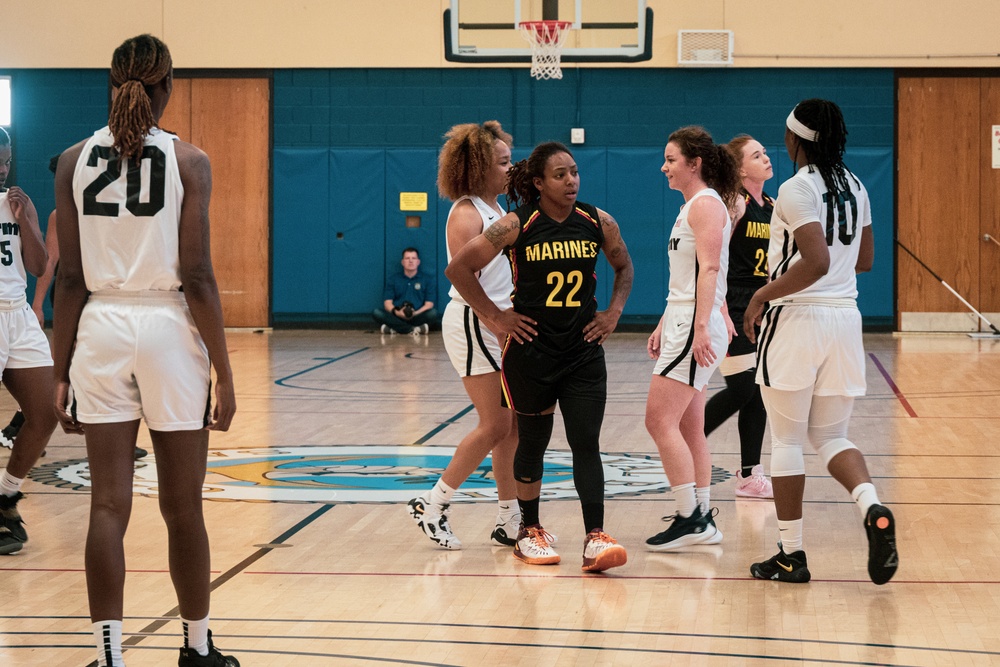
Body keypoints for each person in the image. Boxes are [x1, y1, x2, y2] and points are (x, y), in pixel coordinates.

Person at [52, 35, 239, 665]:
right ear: (168, 86)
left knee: (107, 505)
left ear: (111, 82)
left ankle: (109, 656)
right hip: (166, 326)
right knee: (183, 505)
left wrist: (60, 372)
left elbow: (70, 280)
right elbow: (200, 276)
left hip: (100, 326)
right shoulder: (190, 161)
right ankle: (197, 647)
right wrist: (225, 370)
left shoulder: (72, 159)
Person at [446, 141, 634, 572]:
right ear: (537, 182)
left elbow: (624, 267)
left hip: (583, 351)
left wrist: (613, 313)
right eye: (560, 175)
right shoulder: (515, 225)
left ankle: (595, 537)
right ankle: (529, 531)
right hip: (531, 352)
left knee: (586, 442)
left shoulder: (597, 220)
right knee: (532, 442)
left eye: (574, 172)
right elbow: (458, 269)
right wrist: (494, 317)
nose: (571, 181)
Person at [744, 99, 897, 585]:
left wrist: (760, 298)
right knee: (832, 437)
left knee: (787, 439)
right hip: (845, 322)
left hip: (797, 321)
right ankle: (871, 506)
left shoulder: (794, 189)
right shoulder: (857, 186)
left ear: (795, 140)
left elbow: (814, 262)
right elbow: (864, 259)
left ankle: (792, 555)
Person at [407, 121, 520, 549]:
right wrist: (494, 318)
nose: (511, 168)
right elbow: (465, 278)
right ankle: (431, 504)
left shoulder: (496, 209)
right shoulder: (468, 212)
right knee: (494, 424)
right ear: (478, 169)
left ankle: (509, 518)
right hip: (475, 320)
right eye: (504, 162)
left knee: (511, 429)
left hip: (496, 321)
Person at [644, 126, 741, 552]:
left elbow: (710, 271)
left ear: (694, 163)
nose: (664, 167)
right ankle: (702, 514)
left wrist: (701, 326)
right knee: (688, 425)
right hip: (683, 319)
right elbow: (686, 278)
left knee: (657, 421)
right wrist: (665, 321)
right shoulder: (693, 206)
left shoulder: (704, 205)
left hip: (693, 326)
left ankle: (690, 518)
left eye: (671, 159)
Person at [702, 136, 775, 499]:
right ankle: (688, 442)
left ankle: (750, 475)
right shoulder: (735, 204)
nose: (767, 157)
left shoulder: (772, 205)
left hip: (760, 306)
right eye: (757, 155)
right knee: (744, 388)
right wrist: (717, 307)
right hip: (732, 304)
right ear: (740, 168)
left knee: (757, 391)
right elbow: (711, 255)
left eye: (765, 152)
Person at [0, 126, 59, 555]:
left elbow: (39, 266)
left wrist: (28, 222)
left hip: (17, 316)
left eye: (6, 160)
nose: (3, 169)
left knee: (45, 412)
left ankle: (5, 496)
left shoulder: (15, 204)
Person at [372, 247, 438, 335]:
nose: (410, 261)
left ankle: (395, 329)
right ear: (402, 262)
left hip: (417, 315)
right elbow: (387, 303)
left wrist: (414, 313)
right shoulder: (393, 279)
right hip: (397, 316)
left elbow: (429, 304)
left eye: (413, 258)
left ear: (418, 262)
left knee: (433, 313)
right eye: (407, 258)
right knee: (377, 313)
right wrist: (397, 312)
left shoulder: (427, 280)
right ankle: (413, 329)